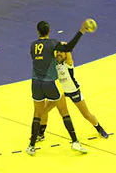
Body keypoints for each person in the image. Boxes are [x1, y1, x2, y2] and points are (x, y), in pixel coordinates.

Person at [26, 20, 90, 156]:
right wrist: (81, 31)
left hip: (35, 82)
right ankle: (75, 142)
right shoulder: (53, 43)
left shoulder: (33, 45)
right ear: (49, 31)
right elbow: (69, 48)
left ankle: (31, 145)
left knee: (38, 113)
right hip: (49, 82)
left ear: (38, 32)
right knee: (64, 111)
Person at [37, 50, 109, 140]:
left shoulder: (68, 64)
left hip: (73, 91)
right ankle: (41, 133)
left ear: (65, 55)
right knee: (43, 111)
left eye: (62, 52)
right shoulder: (53, 65)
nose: (59, 53)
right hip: (59, 92)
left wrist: (64, 46)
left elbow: (68, 51)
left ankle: (99, 128)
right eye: (58, 52)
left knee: (86, 114)